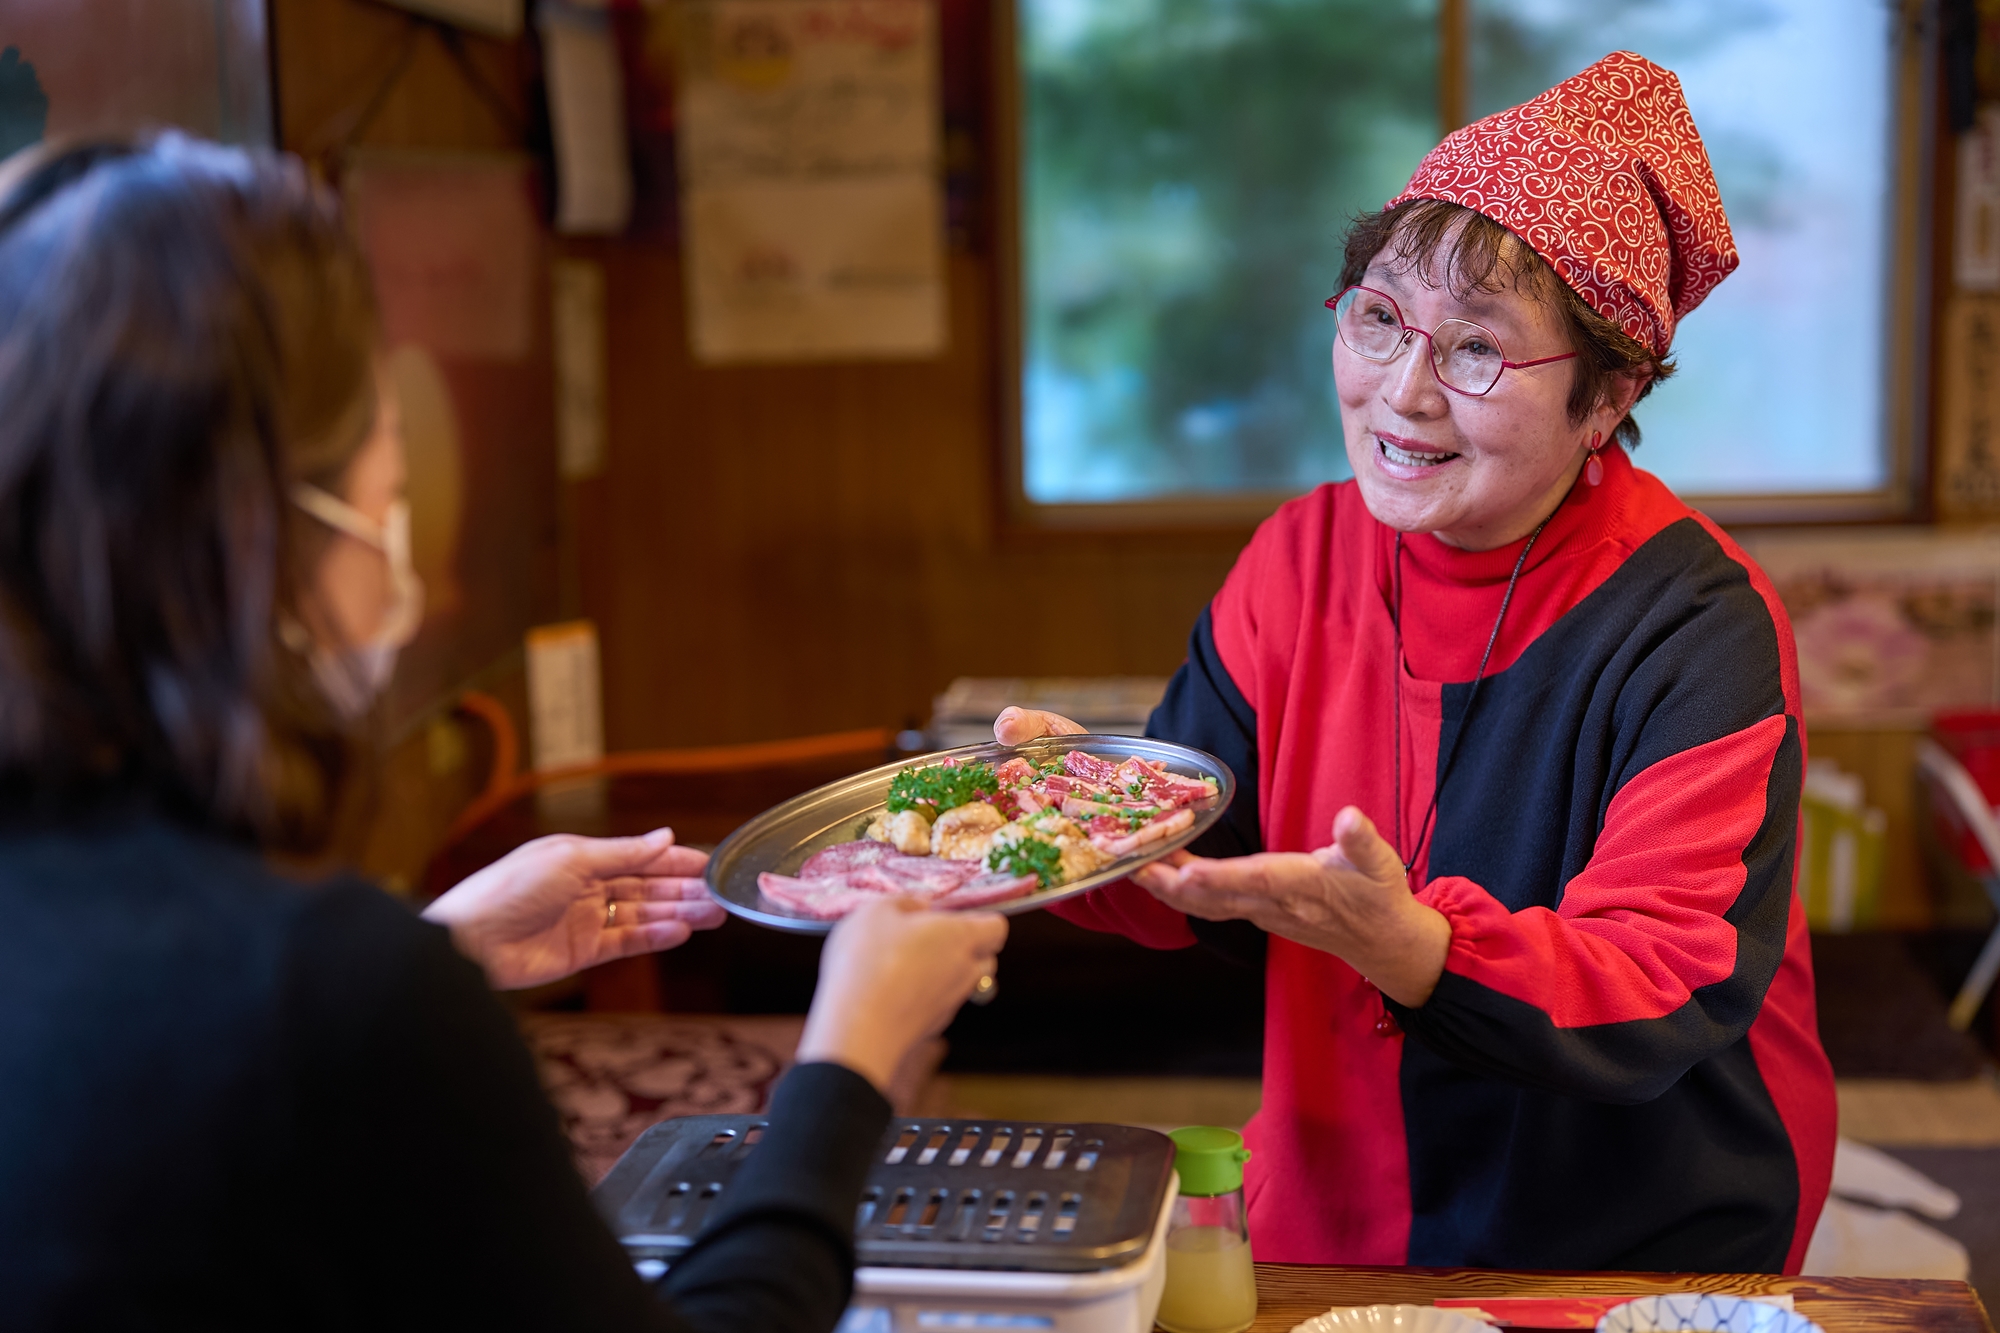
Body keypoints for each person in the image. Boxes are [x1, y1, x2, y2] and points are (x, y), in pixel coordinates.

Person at [0, 134, 1007, 1330]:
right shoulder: (335, 991)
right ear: (273, 542)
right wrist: (849, 1066)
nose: (407, 580)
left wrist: (442, 949)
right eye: (387, 510)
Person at [999, 51, 1835, 1273]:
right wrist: (1059, 826)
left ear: (1605, 398)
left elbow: (1663, 980)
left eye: (1478, 351)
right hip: (1338, 1202)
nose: (1401, 393)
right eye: (1381, 317)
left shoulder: (1693, 621)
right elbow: (1210, 865)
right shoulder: (1297, 557)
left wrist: (1411, 947)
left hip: (1630, 1234)